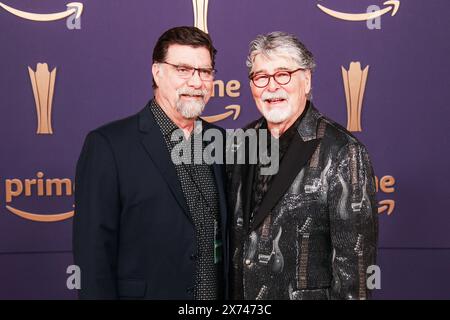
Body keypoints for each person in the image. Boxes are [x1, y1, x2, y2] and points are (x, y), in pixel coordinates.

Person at [73, 26, 228, 299]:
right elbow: (93, 255)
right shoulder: (108, 146)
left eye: (205, 72)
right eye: (183, 69)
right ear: (157, 72)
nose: (196, 82)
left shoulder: (221, 141)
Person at [227, 31, 378, 300]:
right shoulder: (240, 143)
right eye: (261, 77)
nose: (272, 87)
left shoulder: (344, 151)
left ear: (306, 80)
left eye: (283, 74)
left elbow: (355, 274)